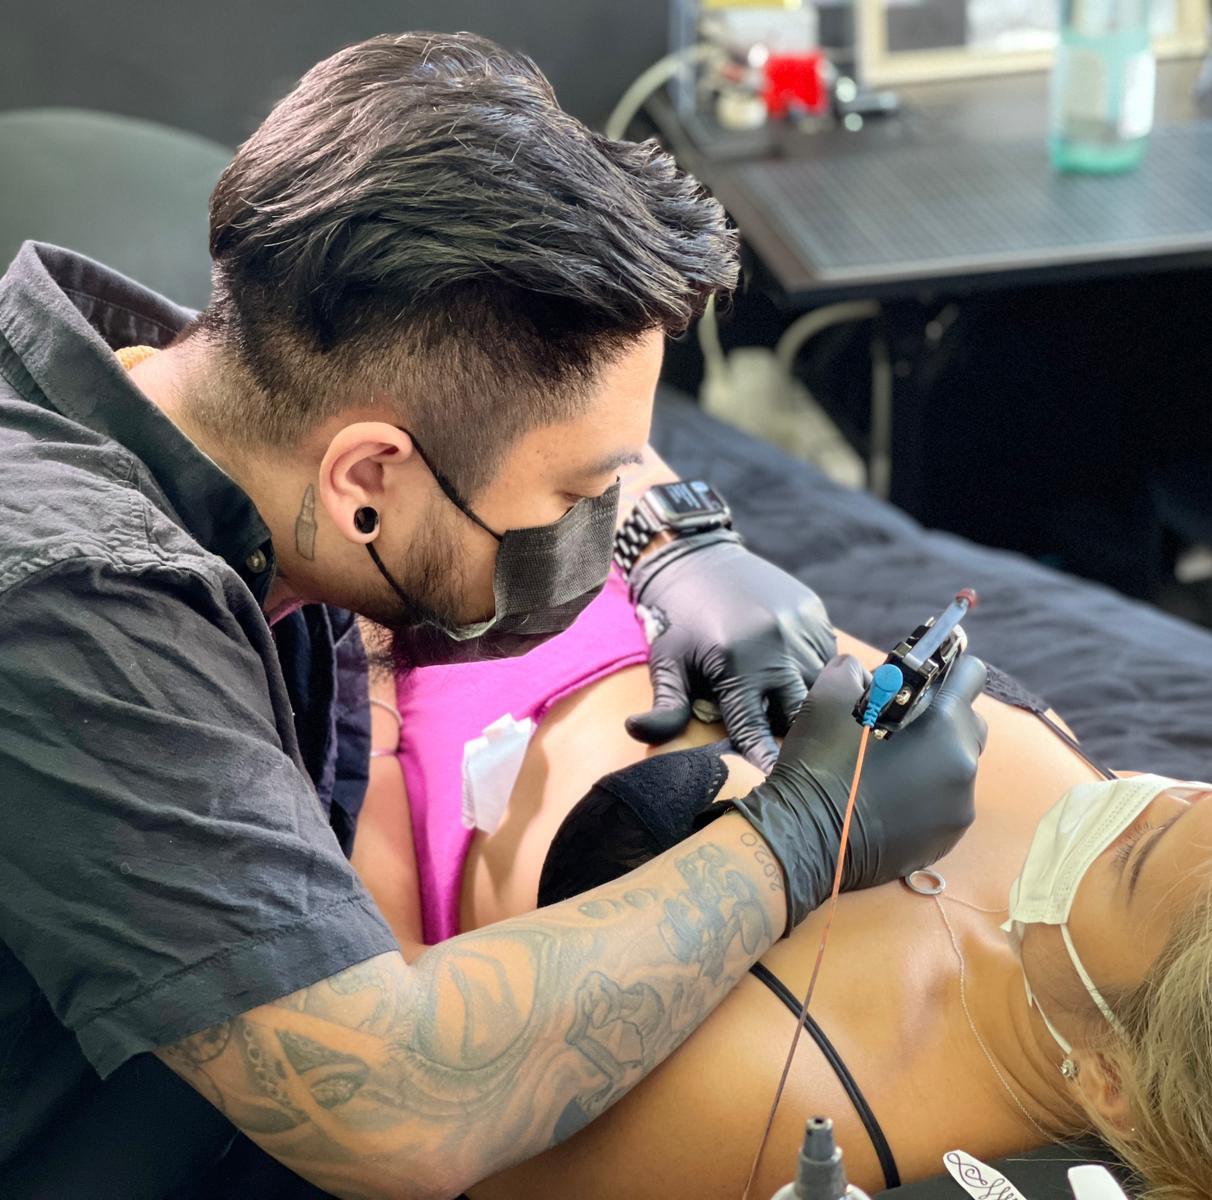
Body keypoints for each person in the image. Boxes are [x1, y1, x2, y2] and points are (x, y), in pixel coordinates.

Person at [0, 31, 989, 1200]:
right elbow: (396, 1108)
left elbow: (495, 422)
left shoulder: (211, 388)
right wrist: (802, 835)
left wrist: (679, 535)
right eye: (579, 495)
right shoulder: (71, 607)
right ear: (366, 481)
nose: (596, 527)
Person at [354, 577, 1212, 1200]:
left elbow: (396, 1052)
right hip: (597, 576)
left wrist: (363, 708)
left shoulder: (780, 1109)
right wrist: (680, 538)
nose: (1140, 795)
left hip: (409, 702)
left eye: (1135, 855)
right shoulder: (1155, 877)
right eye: (1194, 791)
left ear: (1112, 1081)